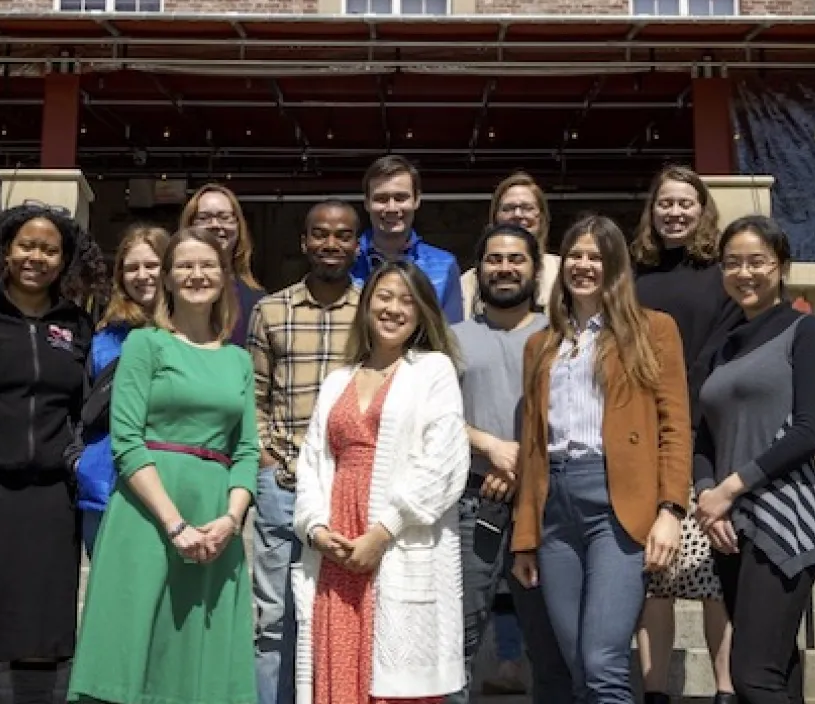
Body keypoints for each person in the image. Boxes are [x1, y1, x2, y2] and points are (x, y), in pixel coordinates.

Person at [68, 227, 259, 704]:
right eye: (185, 265)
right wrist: (175, 525)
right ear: (168, 279)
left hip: (215, 519)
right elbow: (127, 442)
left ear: (224, 276)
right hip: (148, 515)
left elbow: (246, 450)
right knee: (135, 646)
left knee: (200, 653)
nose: (197, 274)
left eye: (207, 265)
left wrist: (231, 520)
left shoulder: (238, 360)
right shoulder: (145, 345)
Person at [510, 214, 692, 704]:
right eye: (575, 255)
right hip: (554, 509)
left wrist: (671, 510)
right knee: (576, 665)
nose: (584, 265)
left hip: (617, 505)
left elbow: (675, 427)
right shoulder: (540, 344)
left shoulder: (653, 330)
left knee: (602, 662)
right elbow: (532, 446)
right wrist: (525, 538)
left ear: (615, 267)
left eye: (596, 256)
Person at [0, 202, 108, 704]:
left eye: (50, 250)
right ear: (6, 250)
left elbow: (86, 405)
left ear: (65, 259)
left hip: (51, 496)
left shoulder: (77, 323)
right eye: (27, 246)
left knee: (42, 626)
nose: (37, 257)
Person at [291, 260, 469, 704]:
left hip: (396, 539)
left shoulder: (433, 370)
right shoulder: (338, 380)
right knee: (337, 669)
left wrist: (383, 530)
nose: (393, 309)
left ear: (422, 312)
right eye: (384, 297)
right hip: (337, 545)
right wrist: (316, 529)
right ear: (366, 305)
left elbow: (442, 462)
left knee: (395, 675)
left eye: (407, 301)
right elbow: (312, 460)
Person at [693, 216, 815, 704]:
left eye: (757, 261)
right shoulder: (723, 347)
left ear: (781, 266)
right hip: (730, 526)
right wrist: (708, 498)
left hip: (783, 517)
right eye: (732, 263)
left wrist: (731, 488)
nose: (744, 273)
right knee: (776, 669)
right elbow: (703, 437)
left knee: (752, 675)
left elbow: (810, 431)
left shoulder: (805, 331)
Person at [631, 164, 743, 704]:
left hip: (708, 434)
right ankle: (655, 693)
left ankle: (725, 691)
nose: (674, 212)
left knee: (714, 575)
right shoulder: (633, 272)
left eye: (684, 203)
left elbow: (726, 345)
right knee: (655, 577)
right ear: (651, 211)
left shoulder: (721, 273)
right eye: (665, 203)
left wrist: (685, 396)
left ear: (702, 210)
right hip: (645, 433)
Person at [446, 224, 570, 704]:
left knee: (549, 640)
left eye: (516, 259)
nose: (504, 268)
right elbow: (432, 418)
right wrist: (489, 446)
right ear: (478, 271)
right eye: (493, 259)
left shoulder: (560, 337)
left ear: (536, 270)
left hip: (547, 505)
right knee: (459, 637)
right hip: (473, 501)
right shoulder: (452, 340)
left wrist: (522, 467)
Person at [246, 200, 364, 704]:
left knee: (343, 614)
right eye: (320, 234)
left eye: (342, 235)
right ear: (304, 242)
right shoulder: (271, 310)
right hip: (284, 484)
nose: (331, 244)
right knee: (274, 618)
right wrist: (267, 461)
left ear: (357, 244)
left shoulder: (373, 310)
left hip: (350, 491)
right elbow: (254, 397)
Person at [72, 223, 171, 555]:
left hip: (170, 489)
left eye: (152, 264)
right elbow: (80, 406)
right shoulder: (105, 338)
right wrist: (78, 461)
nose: (142, 275)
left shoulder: (193, 334)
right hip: (104, 489)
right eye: (132, 268)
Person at [349, 154, 463, 323]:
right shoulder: (347, 262)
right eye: (381, 199)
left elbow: (452, 332)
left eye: (400, 198)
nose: (391, 208)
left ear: (416, 200)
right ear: (367, 203)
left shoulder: (445, 266)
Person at [458, 171, 562, 320]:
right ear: (495, 217)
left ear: (542, 217)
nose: (518, 214)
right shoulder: (468, 283)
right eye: (508, 208)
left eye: (527, 208)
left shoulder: (561, 272)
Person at [181, 182, 265, 345]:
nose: (215, 225)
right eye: (204, 218)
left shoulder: (257, 300)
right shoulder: (170, 291)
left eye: (224, 217)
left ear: (238, 226)